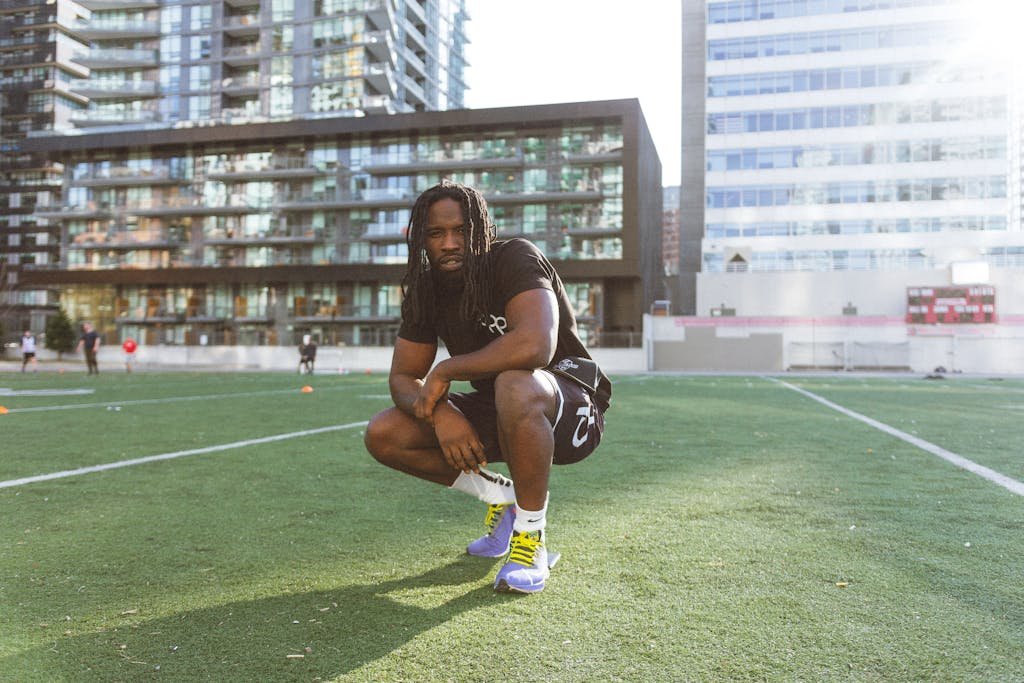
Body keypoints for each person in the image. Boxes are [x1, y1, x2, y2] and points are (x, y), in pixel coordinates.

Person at [364, 181, 611, 594]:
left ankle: (531, 540)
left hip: (569, 406)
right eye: (435, 234)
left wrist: (445, 372)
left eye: (460, 230)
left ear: (481, 228)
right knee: (385, 433)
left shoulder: (514, 257)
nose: (449, 243)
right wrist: (442, 414)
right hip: (499, 407)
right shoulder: (426, 287)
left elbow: (535, 345)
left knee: (515, 382)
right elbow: (403, 378)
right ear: (420, 238)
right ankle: (504, 497)